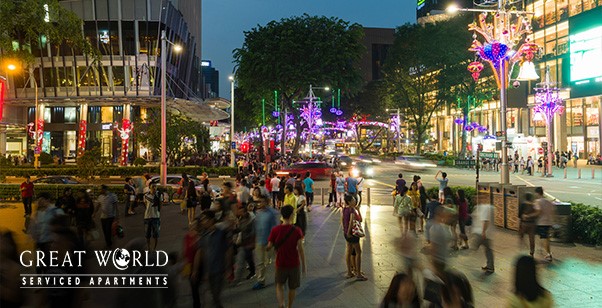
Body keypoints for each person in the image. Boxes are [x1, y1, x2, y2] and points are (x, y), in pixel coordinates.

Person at [267, 205, 306, 308]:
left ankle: (281, 304)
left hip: (280, 263)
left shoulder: (275, 230)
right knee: (292, 288)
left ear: (282, 215)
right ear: (292, 215)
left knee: (279, 284)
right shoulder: (297, 230)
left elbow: (269, 246)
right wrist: (304, 266)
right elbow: (301, 250)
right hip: (294, 263)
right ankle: (289, 306)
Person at [191, 211, 228, 308]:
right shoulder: (203, 235)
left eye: (204, 219)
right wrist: (195, 270)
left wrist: (228, 268)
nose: (202, 222)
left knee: (215, 297)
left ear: (211, 220)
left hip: (219, 270)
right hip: (208, 271)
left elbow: (228, 250)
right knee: (213, 297)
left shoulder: (221, 233)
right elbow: (200, 252)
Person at [253, 194, 279, 290]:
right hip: (259, 241)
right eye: (259, 202)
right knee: (260, 262)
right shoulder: (258, 213)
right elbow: (256, 227)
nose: (260, 203)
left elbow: (274, 228)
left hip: (269, 242)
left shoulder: (272, 213)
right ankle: (261, 281)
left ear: (267, 202)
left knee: (270, 261)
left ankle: (279, 277)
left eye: (262, 201)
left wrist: (271, 242)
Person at [342, 194, 367, 281]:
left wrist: (345, 231)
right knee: (358, 252)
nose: (355, 201)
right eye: (353, 200)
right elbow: (351, 222)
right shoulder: (352, 210)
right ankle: (358, 273)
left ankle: (350, 272)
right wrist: (349, 232)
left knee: (349, 251)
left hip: (346, 233)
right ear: (349, 202)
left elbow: (343, 220)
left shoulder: (344, 209)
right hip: (352, 234)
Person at [530, 187, 555, 262]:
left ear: (537, 193)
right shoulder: (548, 201)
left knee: (544, 238)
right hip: (548, 222)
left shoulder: (537, 201)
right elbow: (553, 211)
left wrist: (531, 216)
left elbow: (538, 211)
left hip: (541, 223)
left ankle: (548, 254)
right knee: (546, 238)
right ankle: (545, 251)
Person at [233, 203, 256, 282]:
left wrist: (252, 243)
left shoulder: (251, 219)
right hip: (243, 242)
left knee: (248, 258)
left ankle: (252, 272)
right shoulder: (241, 219)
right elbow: (239, 229)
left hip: (248, 242)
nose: (241, 213)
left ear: (246, 212)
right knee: (243, 258)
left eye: (242, 212)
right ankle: (238, 277)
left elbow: (253, 232)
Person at [472, 203, 495, 273]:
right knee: (488, 250)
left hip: (482, 233)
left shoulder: (485, 208)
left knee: (475, 247)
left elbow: (486, 221)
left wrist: (483, 231)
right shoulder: (488, 207)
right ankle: (490, 266)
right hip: (485, 233)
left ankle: (490, 266)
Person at [143, 184, 162, 251]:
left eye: (155, 188)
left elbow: (160, 205)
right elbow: (145, 204)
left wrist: (158, 213)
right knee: (147, 235)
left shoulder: (159, 195)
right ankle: (148, 248)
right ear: (150, 188)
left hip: (156, 217)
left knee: (156, 235)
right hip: (147, 217)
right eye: (152, 188)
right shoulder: (146, 196)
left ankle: (154, 248)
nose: (154, 189)